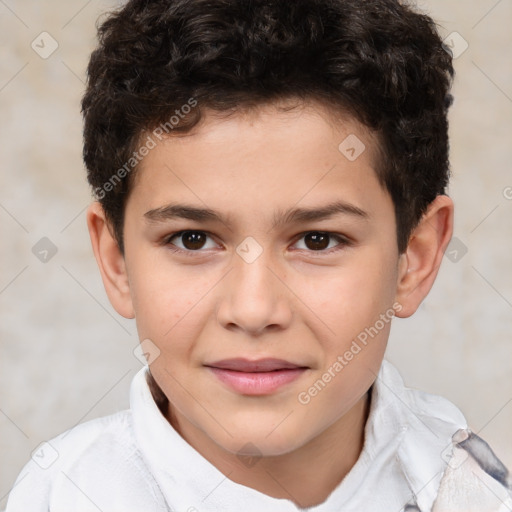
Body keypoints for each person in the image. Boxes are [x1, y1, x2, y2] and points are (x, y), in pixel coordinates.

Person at [6, 0, 512, 510]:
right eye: (192, 239)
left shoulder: (474, 493)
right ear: (116, 261)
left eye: (317, 240)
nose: (252, 310)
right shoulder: (59, 495)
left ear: (415, 259)